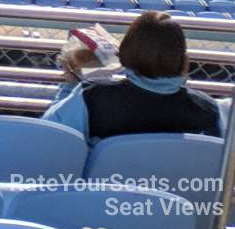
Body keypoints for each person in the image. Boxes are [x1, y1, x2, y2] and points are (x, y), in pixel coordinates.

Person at [43, 11, 223, 141]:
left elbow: (48, 135)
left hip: (100, 192)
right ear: (183, 59)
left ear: (124, 52)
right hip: (178, 193)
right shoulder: (208, 110)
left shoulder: (91, 97)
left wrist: (70, 85)